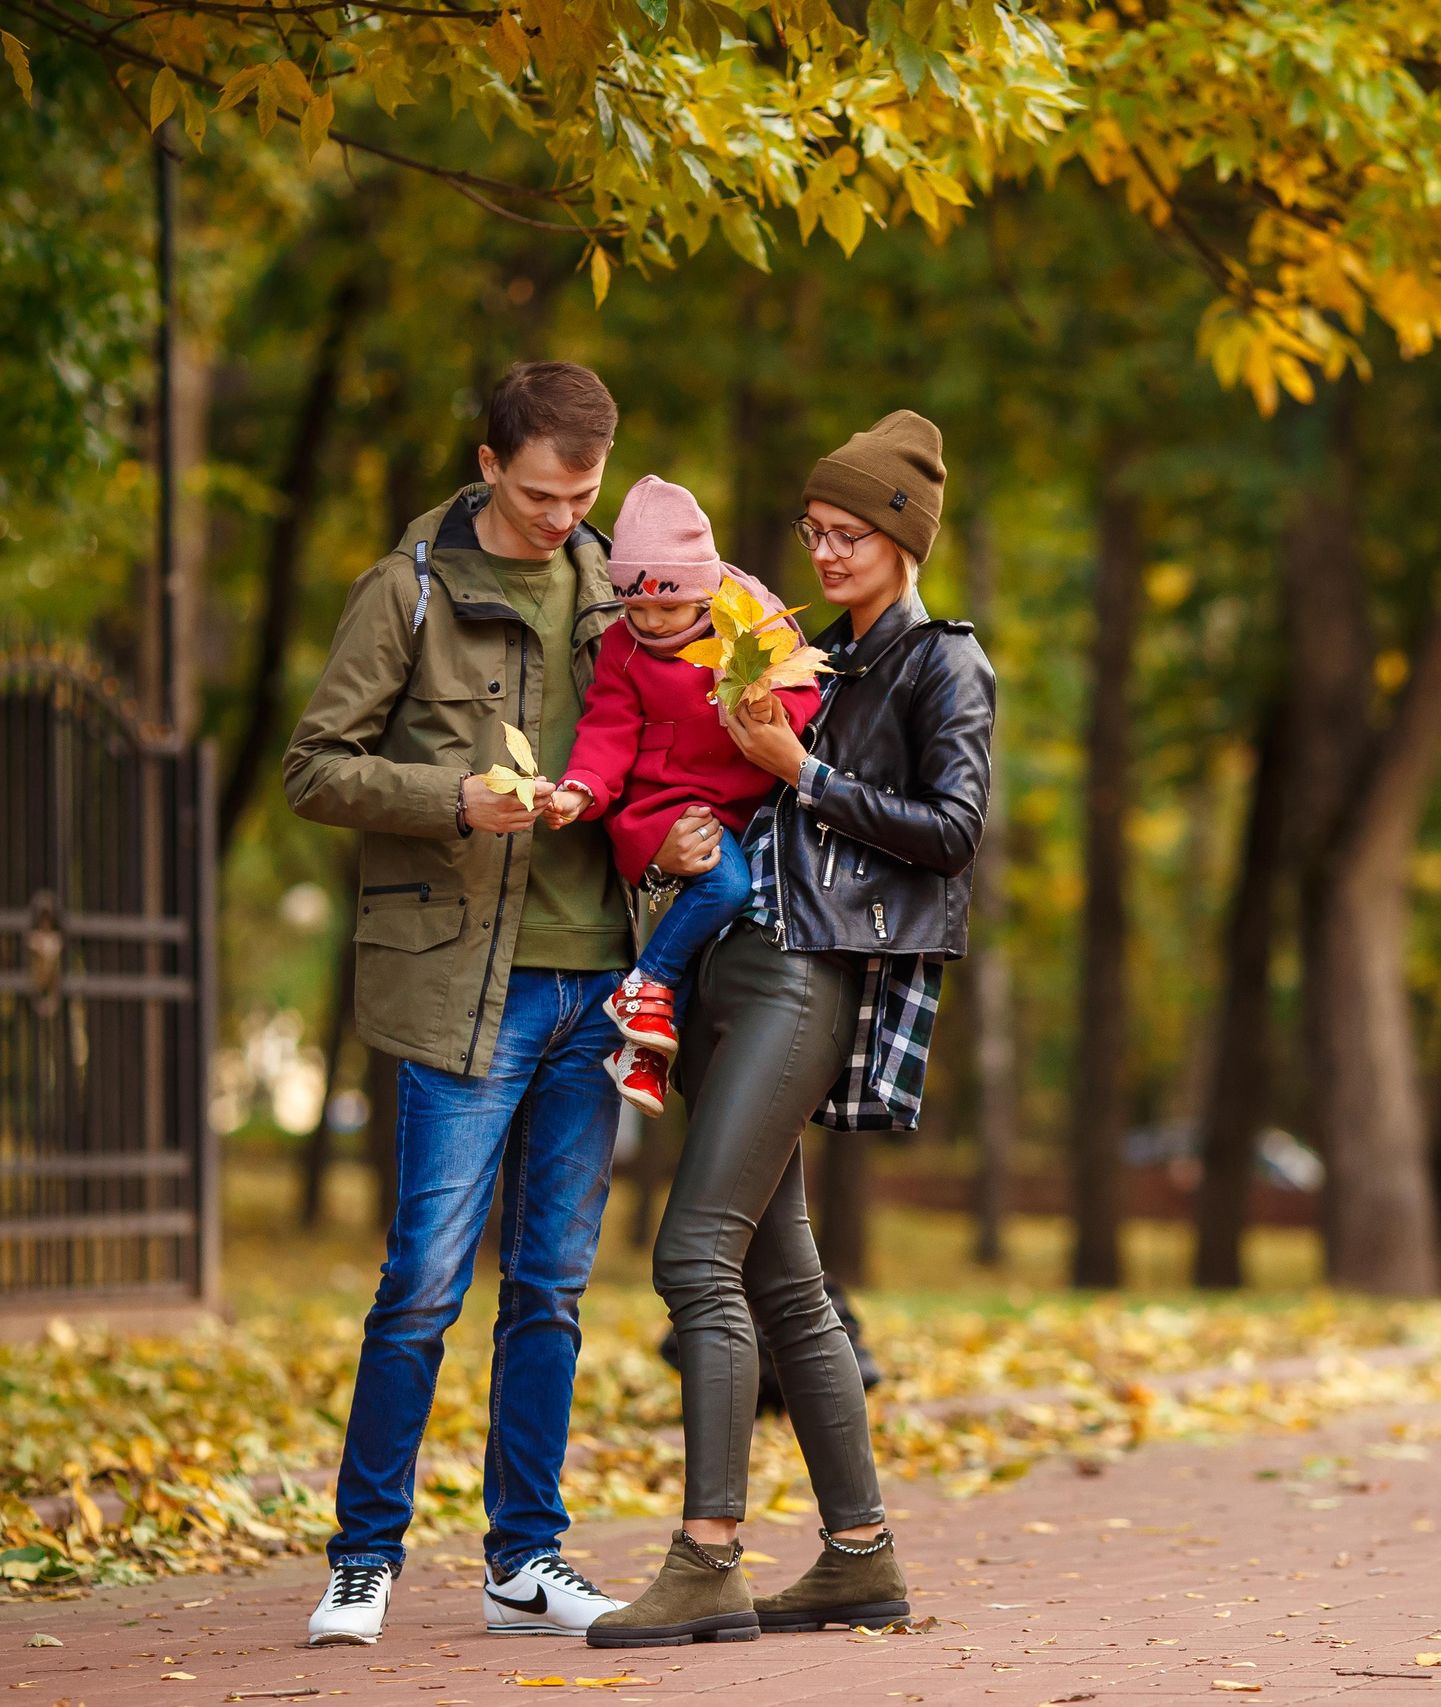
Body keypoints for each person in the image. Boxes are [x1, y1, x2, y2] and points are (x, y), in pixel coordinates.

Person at [281, 362, 706, 1646]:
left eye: (582, 496)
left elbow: (667, 742)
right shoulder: (406, 589)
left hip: (601, 981)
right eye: (537, 496)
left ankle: (525, 1560)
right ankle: (364, 1558)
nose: (562, 520)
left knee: (553, 1288)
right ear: (486, 466)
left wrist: (681, 832)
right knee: (422, 1283)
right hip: (462, 984)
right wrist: (449, 798)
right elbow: (314, 768)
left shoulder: (622, 586)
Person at [586, 410, 995, 1649]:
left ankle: (708, 1558)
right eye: (812, 531)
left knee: (691, 1257)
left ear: (903, 539)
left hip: (803, 975)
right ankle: (859, 1559)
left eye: (847, 533)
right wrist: (677, 835)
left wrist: (800, 772)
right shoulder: (795, 647)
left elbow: (954, 831)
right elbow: (698, 771)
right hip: (727, 967)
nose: (822, 551)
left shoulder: (941, 665)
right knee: (783, 1278)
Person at [550, 475, 821, 1120]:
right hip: (669, 799)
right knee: (726, 887)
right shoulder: (624, 648)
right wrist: (583, 786)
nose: (650, 624)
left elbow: (801, 686)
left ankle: (642, 1050)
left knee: (724, 938)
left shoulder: (746, 618)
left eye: (666, 610)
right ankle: (641, 985)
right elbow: (607, 728)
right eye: (635, 609)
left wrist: (771, 709)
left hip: (741, 803)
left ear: (702, 590)